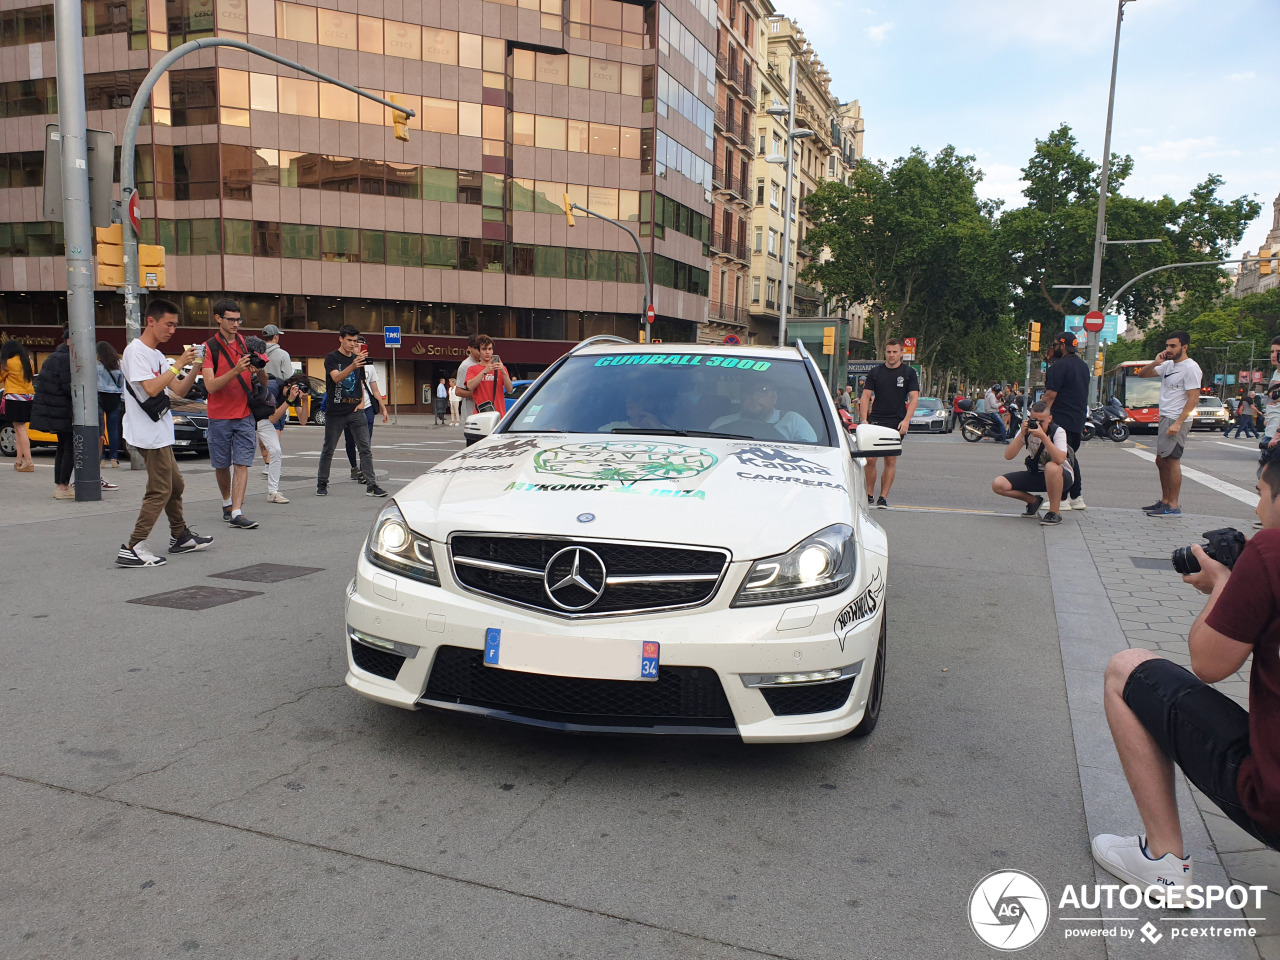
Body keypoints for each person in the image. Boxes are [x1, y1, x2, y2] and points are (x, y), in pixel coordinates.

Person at [1092, 448, 1280, 895]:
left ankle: (1164, 862)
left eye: (1261, 494)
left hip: (1272, 801)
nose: (1257, 509)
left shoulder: (1271, 551)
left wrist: (1222, 587)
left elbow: (1209, 664)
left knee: (1127, 669)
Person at [116, 299, 212, 567]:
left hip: (160, 431)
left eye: (175, 325)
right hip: (146, 433)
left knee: (175, 485)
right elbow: (151, 389)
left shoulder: (157, 356)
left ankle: (180, 536)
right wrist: (179, 362)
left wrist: (194, 366)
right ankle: (133, 546)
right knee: (160, 489)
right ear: (151, 321)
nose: (172, 331)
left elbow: (178, 391)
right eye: (168, 324)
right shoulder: (136, 352)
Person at [201, 299, 260, 529]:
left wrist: (258, 371)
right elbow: (210, 386)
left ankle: (237, 511)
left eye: (238, 319)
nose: (236, 324)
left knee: (242, 463)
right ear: (218, 318)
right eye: (231, 319)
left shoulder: (247, 344)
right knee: (222, 464)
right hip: (219, 416)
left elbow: (262, 378)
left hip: (245, 413)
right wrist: (236, 370)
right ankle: (227, 502)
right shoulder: (209, 348)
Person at [1135, 331, 1202, 517]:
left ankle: (1173, 505)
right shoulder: (1168, 365)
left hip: (1176, 419)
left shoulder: (1190, 368)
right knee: (1161, 460)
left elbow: (1193, 398)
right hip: (1166, 417)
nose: (1168, 349)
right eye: (1167, 345)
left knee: (1172, 461)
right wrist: (1156, 362)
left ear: (1184, 347)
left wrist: (1179, 422)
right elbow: (1142, 374)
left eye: (1173, 346)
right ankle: (1165, 500)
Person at [317, 325, 387, 498]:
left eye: (355, 341)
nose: (352, 344)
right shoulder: (332, 358)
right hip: (336, 411)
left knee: (365, 448)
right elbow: (336, 377)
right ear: (340, 339)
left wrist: (361, 403)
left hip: (355, 410)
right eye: (349, 340)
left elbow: (360, 384)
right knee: (329, 448)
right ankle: (322, 482)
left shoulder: (358, 359)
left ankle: (371, 484)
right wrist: (352, 365)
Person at [858, 338, 920, 508]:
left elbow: (914, 398)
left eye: (895, 352)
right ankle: (869, 494)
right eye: (889, 352)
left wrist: (906, 421)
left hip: (897, 422)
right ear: (885, 353)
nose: (891, 355)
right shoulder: (876, 371)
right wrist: (864, 420)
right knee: (870, 460)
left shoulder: (909, 373)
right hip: (876, 420)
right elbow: (865, 397)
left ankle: (883, 497)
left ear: (901, 353)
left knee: (890, 460)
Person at [991, 400, 1074, 525]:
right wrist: (1021, 435)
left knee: (1051, 466)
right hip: (1038, 474)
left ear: (1050, 419)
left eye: (1042, 422)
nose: (1038, 425)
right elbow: (1008, 455)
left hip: (1061, 477)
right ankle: (1033, 501)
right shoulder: (1026, 430)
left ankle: (1054, 512)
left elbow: (1060, 459)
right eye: (1035, 421)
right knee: (998, 484)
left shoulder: (1058, 432)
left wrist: (1044, 437)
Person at [1042, 331, 1090, 511]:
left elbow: (1050, 395)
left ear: (1062, 345)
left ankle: (1061, 498)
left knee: (1059, 457)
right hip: (1077, 418)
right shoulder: (1084, 367)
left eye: (1055, 345)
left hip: (1061, 418)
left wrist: (1039, 413)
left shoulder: (1058, 367)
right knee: (1070, 457)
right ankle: (1076, 497)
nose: (1053, 348)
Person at [710, 381, 818, 443]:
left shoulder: (793, 422)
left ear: (775, 397)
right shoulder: (723, 424)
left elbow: (813, 453)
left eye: (763, 391)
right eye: (748, 392)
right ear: (741, 398)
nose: (754, 397)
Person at [343, 338, 389, 482]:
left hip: (367, 408)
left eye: (360, 346)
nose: (357, 348)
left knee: (365, 441)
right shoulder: (346, 364)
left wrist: (383, 408)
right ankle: (354, 467)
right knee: (350, 440)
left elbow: (375, 389)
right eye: (355, 346)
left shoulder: (370, 367)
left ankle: (363, 471)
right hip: (350, 407)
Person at [1, 339, 36, 472]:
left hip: (14, 396)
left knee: (20, 429)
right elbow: (31, 376)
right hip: (28, 396)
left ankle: (29, 461)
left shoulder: (8, 363)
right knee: (18, 429)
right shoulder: (29, 361)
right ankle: (19, 460)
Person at [462, 334, 514, 420]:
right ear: (479, 351)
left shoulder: (501, 368)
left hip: (499, 414)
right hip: (480, 415)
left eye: (490, 349)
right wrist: (484, 371)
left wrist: (503, 372)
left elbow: (509, 389)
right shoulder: (472, 369)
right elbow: (470, 386)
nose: (487, 352)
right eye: (484, 349)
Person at [97, 341, 125, 468]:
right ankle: (114, 459)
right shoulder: (117, 364)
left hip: (99, 396)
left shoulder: (96, 364)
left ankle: (101, 458)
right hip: (114, 397)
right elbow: (120, 383)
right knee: (113, 429)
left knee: (100, 430)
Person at [454, 334, 483, 445]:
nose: (479, 351)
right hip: (471, 414)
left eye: (480, 348)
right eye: (476, 348)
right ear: (469, 348)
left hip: (483, 413)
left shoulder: (483, 363)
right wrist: (477, 394)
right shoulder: (465, 366)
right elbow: (458, 391)